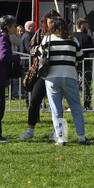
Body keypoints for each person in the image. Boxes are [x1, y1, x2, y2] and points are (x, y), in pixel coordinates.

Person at [42, 17, 90, 145]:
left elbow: (41, 55)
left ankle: (61, 138)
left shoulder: (47, 39)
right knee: (76, 107)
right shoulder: (73, 40)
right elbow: (80, 58)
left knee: (56, 110)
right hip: (70, 75)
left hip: (52, 77)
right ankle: (81, 137)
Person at [19, 12, 59, 141]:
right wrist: (41, 50)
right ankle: (30, 129)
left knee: (56, 103)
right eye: (49, 21)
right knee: (35, 100)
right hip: (41, 72)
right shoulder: (40, 32)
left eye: (54, 20)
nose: (51, 23)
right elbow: (31, 48)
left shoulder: (62, 33)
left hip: (57, 72)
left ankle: (56, 130)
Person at [72, 17, 94, 109]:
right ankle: (87, 104)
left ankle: (74, 104)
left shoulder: (71, 36)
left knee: (73, 84)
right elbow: (92, 50)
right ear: (81, 25)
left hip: (73, 63)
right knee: (86, 84)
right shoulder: (87, 37)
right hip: (85, 64)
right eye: (86, 25)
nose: (88, 27)